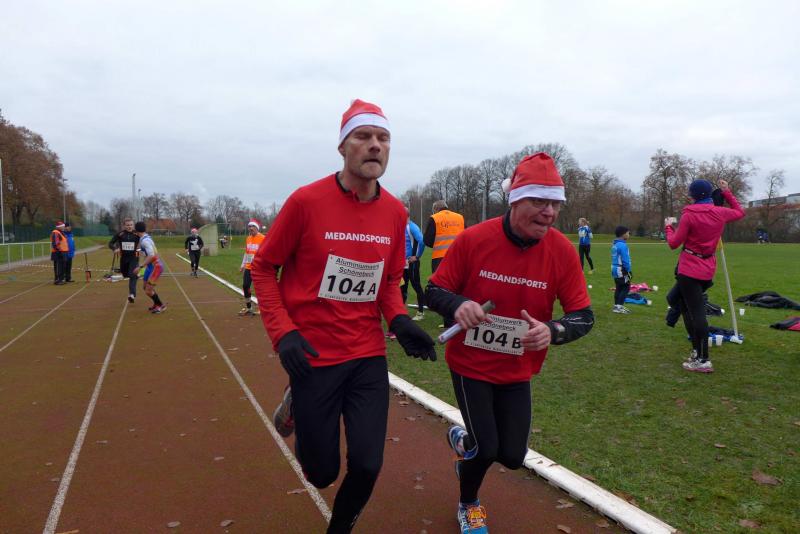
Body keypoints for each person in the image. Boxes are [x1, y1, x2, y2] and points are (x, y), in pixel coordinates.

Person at [250, 99, 436, 534]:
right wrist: (284, 333)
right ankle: (297, 403)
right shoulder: (306, 201)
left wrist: (399, 320)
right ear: (342, 147)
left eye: (383, 138)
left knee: (368, 464)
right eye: (363, 136)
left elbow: (389, 281)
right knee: (321, 474)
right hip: (312, 355)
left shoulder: (396, 212)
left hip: (366, 354)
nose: (375, 145)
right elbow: (263, 268)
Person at [425, 152, 593, 534]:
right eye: (539, 201)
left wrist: (553, 330)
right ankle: (469, 503)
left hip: (517, 369)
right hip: (471, 364)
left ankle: (464, 443)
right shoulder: (474, 239)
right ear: (515, 199)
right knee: (486, 449)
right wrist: (459, 305)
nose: (549, 212)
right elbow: (435, 290)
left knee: (513, 456)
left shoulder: (561, 251)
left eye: (555, 204)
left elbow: (583, 315)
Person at [665, 179, 744, 373]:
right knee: (677, 301)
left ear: (692, 195)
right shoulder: (720, 212)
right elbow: (739, 212)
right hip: (707, 269)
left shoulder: (689, 215)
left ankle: (703, 359)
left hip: (689, 269)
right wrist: (726, 192)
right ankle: (696, 351)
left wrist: (668, 227)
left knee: (696, 312)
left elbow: (674, 243)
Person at [131, 221, 166, 313]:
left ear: (137, 230)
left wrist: (140, 267)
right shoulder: (144, 238)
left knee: (148, 290)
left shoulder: (145, 241)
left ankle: (161, 305)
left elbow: (152, 255)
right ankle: (156, 303)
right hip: (151, 267)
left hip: (156, 267)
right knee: (145, 287)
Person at [423, 199, 465, 274]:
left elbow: (427, 240)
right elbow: (466, 236)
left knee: (440, 280)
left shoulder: (434, 218)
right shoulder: (460, 217)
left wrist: (437, 244)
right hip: (458, 256)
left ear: (435, 209)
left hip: (440, 257)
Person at [401, 205, 426, 320]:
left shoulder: (412, 227)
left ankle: (420, 312)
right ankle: (402, 313)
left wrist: (417, 256)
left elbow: (422, 241)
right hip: (402, 264)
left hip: (412, 263)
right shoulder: (401, 226)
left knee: (416, 286)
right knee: (402, 288)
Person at [109, 218, 140, 303]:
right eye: (127, 225)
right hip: (124, 258)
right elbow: (110, 243)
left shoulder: (137, 234)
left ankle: (132, 294)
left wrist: (142, 249)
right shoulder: (120, 234)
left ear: (133, 225)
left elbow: (144, 240)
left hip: (134, 258)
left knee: (132, 275)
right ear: (124, 226)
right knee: (125, 274)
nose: (129, 227)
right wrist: (115, 249)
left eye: (131, 225)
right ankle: (135, 276)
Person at [239, 220, 265, 316]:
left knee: (260, 288)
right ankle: (249, 307)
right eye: (249, 227)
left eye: (252, 226)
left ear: (257, 228)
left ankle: (262, 308)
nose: (250, 228)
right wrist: (242, 265)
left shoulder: (263, 238)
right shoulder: (248, 238)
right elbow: (247, 253)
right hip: (248, 267)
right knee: (245, 286)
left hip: (259, 267)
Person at [611, 226, 632, 314]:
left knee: (619, 287)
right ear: (623, 234)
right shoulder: (623, 245)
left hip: (614, 268)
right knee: (626, 287)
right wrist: (628, 270)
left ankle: (616, 306)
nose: (628, 234)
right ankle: (619, 306)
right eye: (627, 233)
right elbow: (625, 260)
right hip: (622, 269)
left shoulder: (615, 244)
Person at [50, 221, 69, 285]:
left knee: (62, 266)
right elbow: (55, 243)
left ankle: (61, 279)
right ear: (59, 227)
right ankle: (58, 280)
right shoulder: (56, 232)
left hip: (63, 252)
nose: (64, 227)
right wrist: (59, 251)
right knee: (59, 267)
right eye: (62, 226)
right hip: (58, 252)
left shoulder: (61, 232)